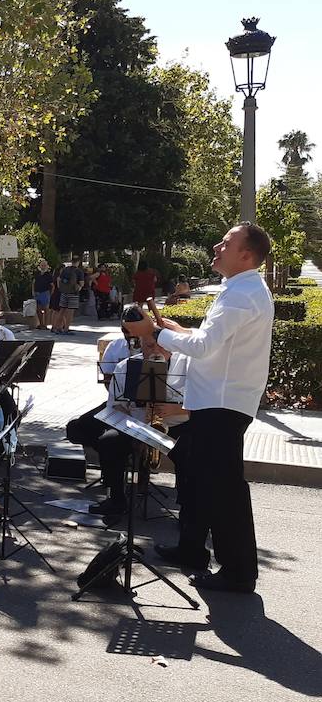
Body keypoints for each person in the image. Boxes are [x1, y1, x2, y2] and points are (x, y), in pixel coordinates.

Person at [124, 223, 274, 592]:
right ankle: (191, 549)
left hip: (221, 406)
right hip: (214, 403)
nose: (217, 246)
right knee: (198, 480)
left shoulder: (242, 293)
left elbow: (206, 348)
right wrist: (179, 333)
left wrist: (154, 333)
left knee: (222, 490)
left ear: (246, 255)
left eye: (226, 243)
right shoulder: (240, 289)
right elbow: (214, 344)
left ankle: (238, 572)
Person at [66, 334, 188, 515]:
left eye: (161, 347)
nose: (155, 351)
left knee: (191, 453)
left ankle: (188, 510)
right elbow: (113, 406)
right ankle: (116, 499)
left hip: (176, 425)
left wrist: (174, 409)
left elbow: (204, 406)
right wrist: (129, 412)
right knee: (108, 441)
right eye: (149, 346)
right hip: (136, 424)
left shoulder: (187, 367)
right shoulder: (125, 367)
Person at [53, 260, 83, 334]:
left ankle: (57, 328)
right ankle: (66, 329)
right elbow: (81, 283)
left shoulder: (65, 270)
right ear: (78, 262)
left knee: (61, 311)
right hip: (73, 293)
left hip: (64, 292)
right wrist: (78, 289)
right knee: (70, 312)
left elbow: (59, 279)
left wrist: (61, 289)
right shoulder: (79, 271)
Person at [31, 260, 54, 330]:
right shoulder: (37, 274)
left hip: (45, 293)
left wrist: (51, 294)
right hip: (37, 293)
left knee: (46, 309)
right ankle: (41, 324)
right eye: (42, 265)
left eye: (44, 265)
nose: (43, 266)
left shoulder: (49, 275)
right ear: (40, 266)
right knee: (38, 309)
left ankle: (45, 325)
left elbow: (52, 285)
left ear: (47, 266)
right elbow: (33, 283)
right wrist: (33, 291)